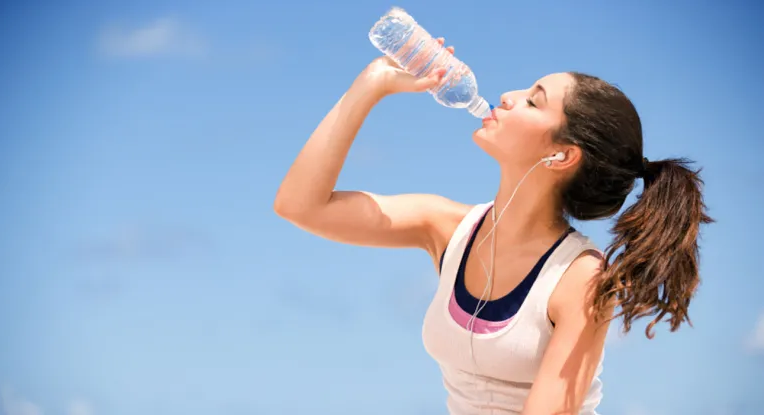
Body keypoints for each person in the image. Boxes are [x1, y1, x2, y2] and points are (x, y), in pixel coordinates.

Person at [273, 38, 712, 415]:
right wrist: (370, 85)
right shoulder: (445, 227)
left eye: (533, 100)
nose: (508, 94)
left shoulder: (578, 279)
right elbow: (300, 205)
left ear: (561, 155)